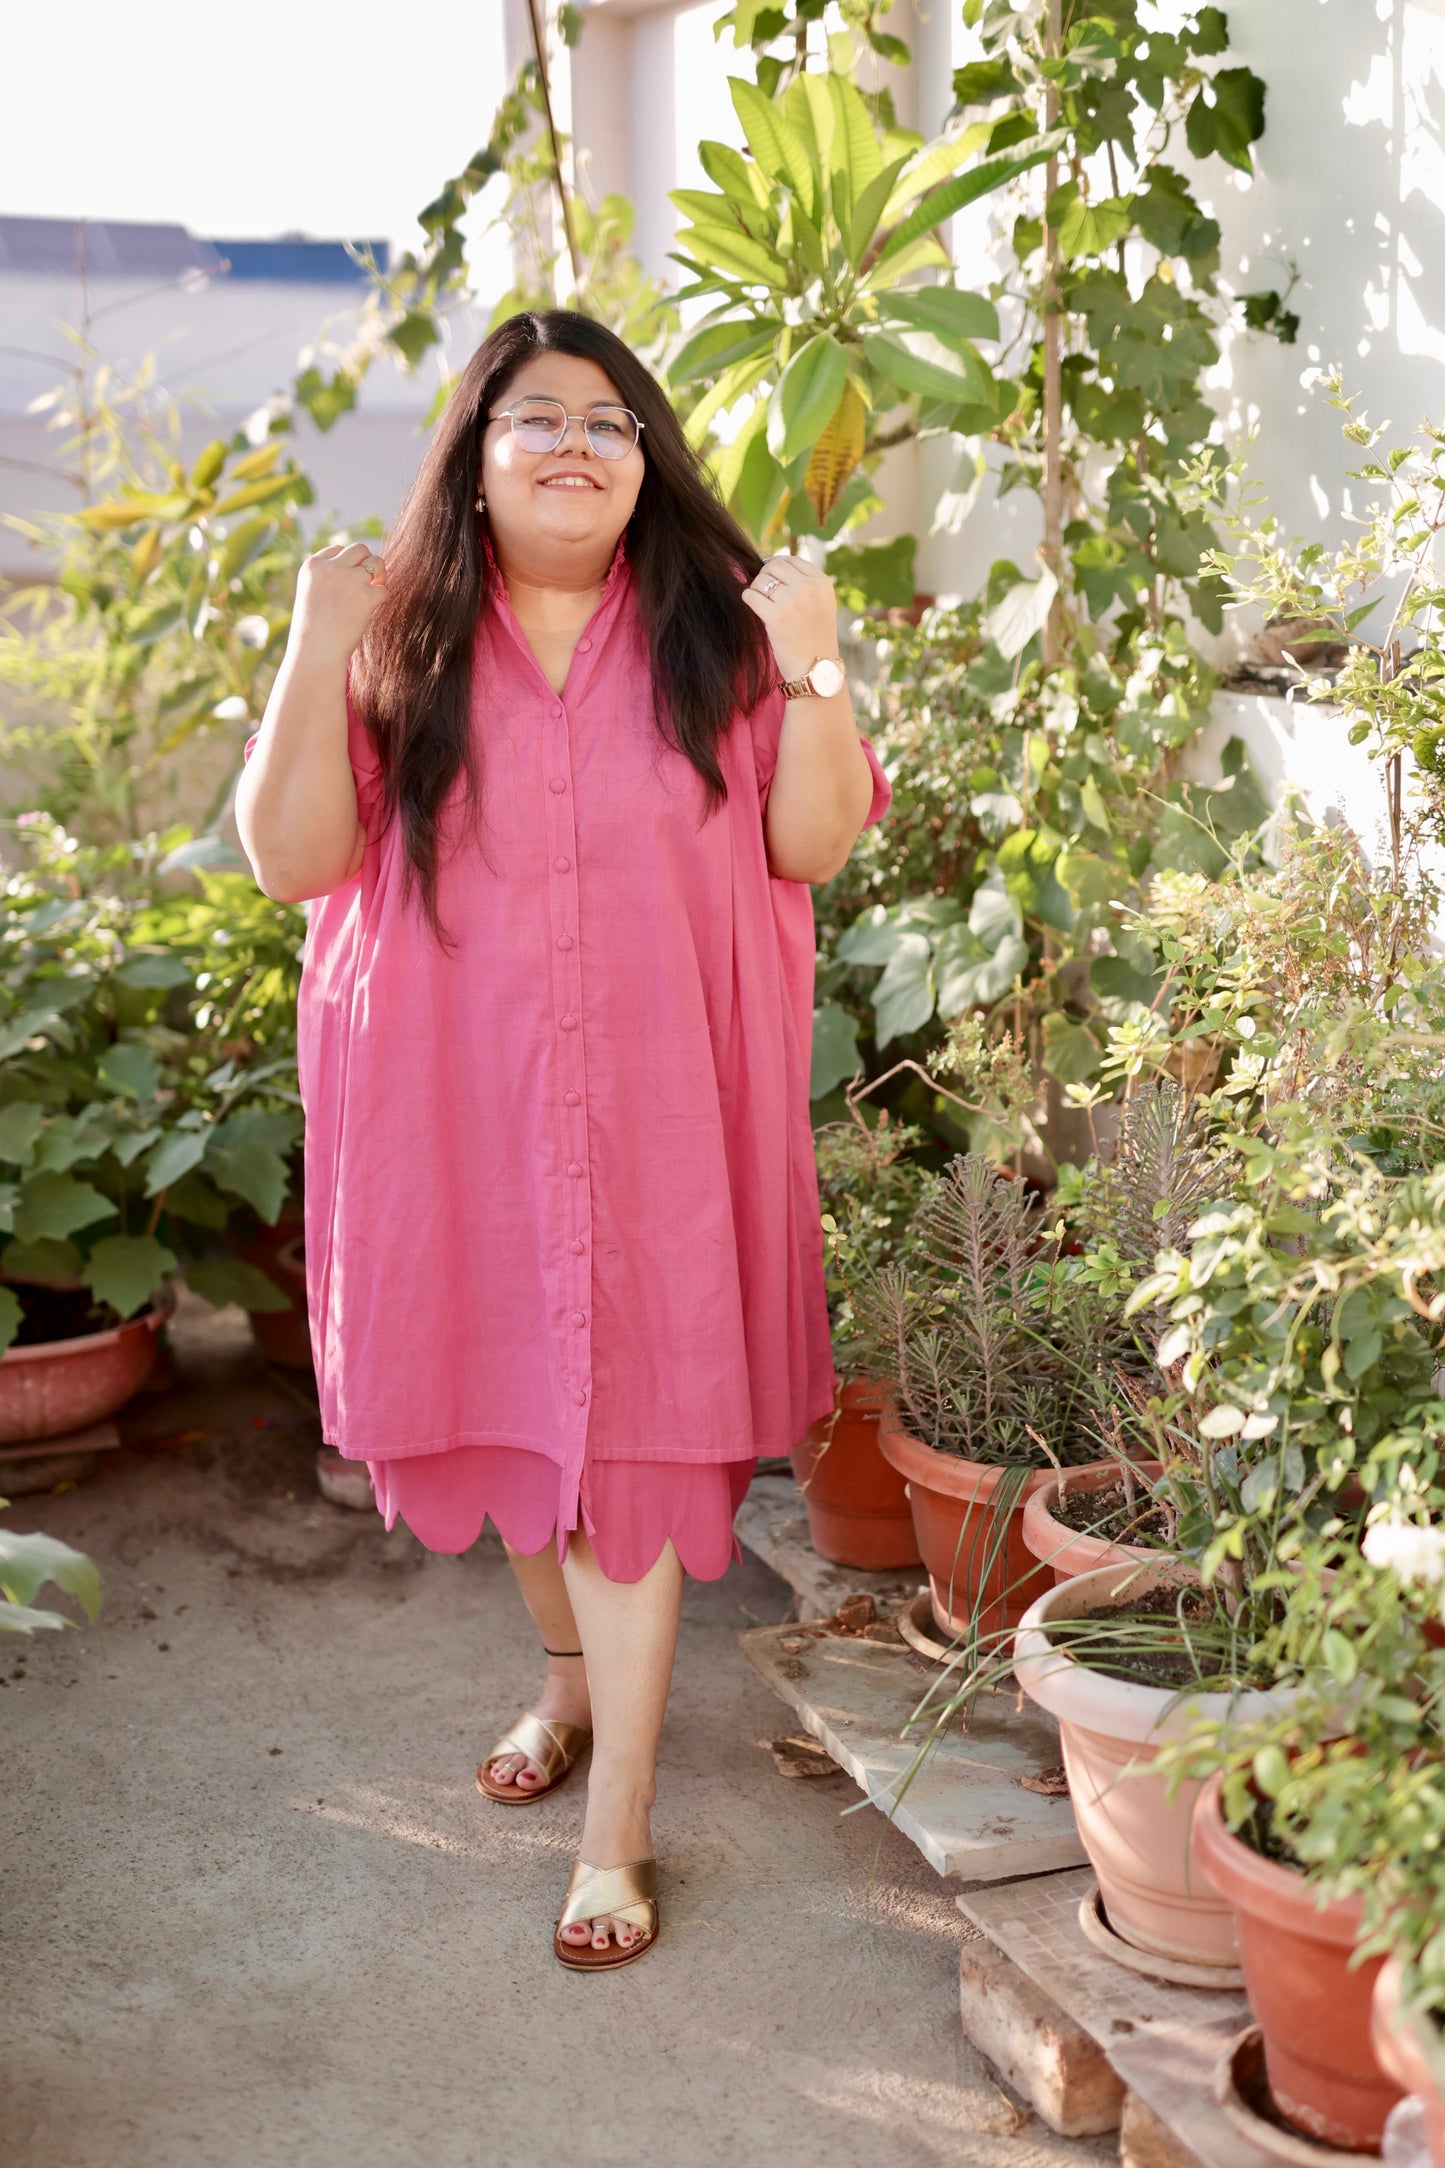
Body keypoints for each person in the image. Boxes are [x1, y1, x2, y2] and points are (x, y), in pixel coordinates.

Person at [235, 309, 891, 1971]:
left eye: (613, 422)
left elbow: (808, 838)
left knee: (638, 1457)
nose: (580, 447)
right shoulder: (397, 644)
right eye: (539, 420)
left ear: (646, 459)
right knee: (514, 1414)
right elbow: (293, 859)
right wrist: (317, 636)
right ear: (473, 455)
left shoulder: (716, 646)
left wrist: (818, 662)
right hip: (457, 1112)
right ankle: (567, 1687)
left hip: (664, 1118)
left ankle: (615, 1844)